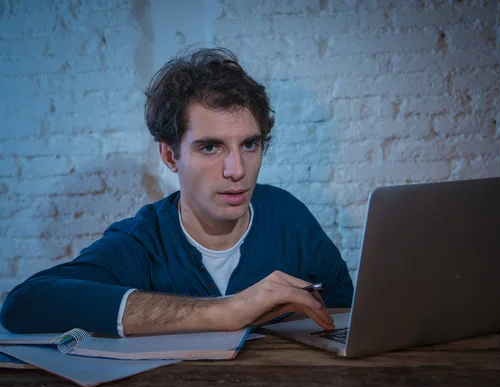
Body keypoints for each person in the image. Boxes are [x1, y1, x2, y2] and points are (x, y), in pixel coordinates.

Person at [0, 48, 354, 337]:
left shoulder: (289, 216)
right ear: (170, 156)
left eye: (249, 144)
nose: (237, 170)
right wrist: (225, 312)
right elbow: (23, 304)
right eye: (210, 147)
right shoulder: (142, 241)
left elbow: (346, 315)